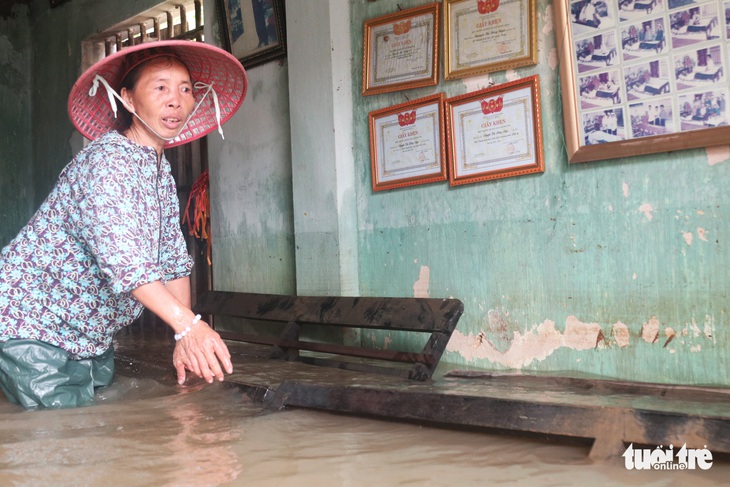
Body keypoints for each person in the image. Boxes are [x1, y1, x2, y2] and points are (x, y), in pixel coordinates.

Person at [0, 40, 248, 409]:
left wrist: (181, 335)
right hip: (33, 323)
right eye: (160, 87)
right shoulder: (107, 162)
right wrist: (189, 326)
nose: (175, 100)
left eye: (184, 89)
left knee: (99, 429)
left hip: (89, 335)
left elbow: (173, 261)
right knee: (54, 432)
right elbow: (125, 263)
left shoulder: (157, 168)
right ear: (129, 100)